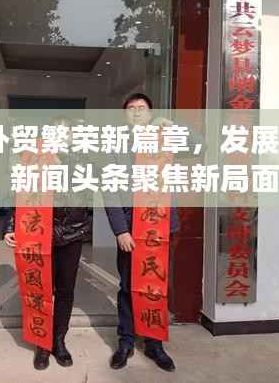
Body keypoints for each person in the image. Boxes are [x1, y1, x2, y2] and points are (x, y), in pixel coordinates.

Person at [3, 116, 93, 371]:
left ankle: (59, 340)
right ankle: (42, 344)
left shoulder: (83, 159)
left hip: (72, 232)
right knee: (40, 289)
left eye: (66, 133)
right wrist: (10, 227)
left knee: (65, 289)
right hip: (38, 232)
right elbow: (20, 194)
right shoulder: (32, 158)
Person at [104, 93, 179, 372]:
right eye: (131, 108)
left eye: (142, 108)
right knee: (128, 285)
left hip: (160, 225)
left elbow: (200, 144)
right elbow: (110, 189)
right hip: (131, 226)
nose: (136, 112)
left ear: (150, 113)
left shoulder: (165, 137)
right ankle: (125, 341)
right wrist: (120, 230)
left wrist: (171, 126)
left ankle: (154, 343)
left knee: (155, 284)